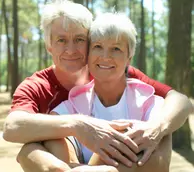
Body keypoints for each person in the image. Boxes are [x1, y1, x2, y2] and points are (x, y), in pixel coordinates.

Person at [2, 1, 193, 172]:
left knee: (157, 135)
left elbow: (179, 100)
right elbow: (12, 127)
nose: (70, 50)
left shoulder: (109, 70)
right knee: (31, 150)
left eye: (79, 39)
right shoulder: (37, 86)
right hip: (63, 153)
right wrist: (78, 125)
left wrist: (157, 128)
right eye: (61, 40)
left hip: (101, 159)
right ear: (49, 45)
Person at [47, 12, 169, 172]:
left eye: (116, 49)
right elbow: (58, 161)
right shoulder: (68, 108)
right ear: (88, 54)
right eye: (98, 47)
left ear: (129, 57)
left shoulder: (152, 105)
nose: (105, 57)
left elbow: (157, 165)